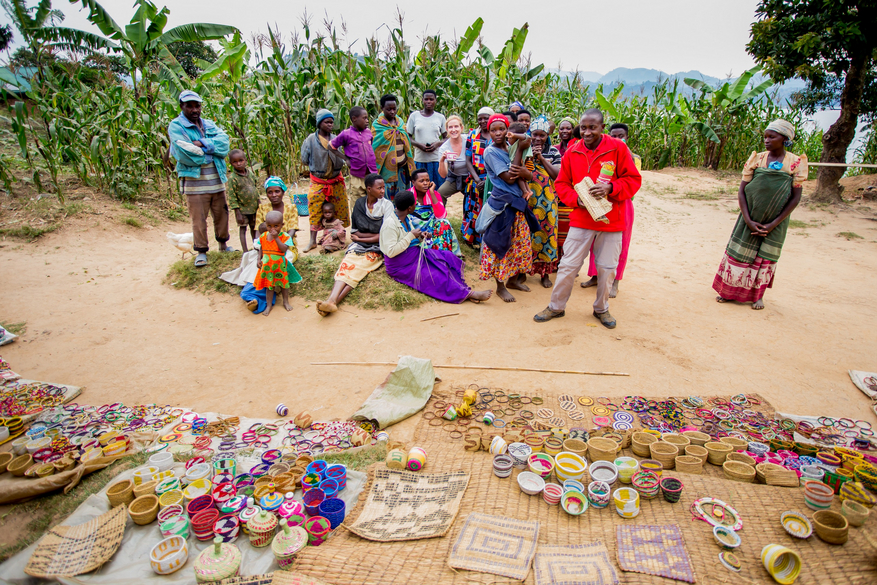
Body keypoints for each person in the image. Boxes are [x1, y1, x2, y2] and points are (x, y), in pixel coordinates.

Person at [534, 109, 642, 329]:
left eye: (593, 127)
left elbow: (633, 180)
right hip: (582, 218)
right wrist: (577, 200)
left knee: (607, 268)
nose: (587, 132)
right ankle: (556, 307)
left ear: (602, 127)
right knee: (568, 266)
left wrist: (611, 187)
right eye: (583, 127)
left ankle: (601, 309)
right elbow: (562, 184)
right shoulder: (573, 151)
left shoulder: (618, 148)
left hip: (612, 220)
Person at [713, 119, 807, 310]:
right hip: (750, 216)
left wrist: (774, 223)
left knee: (765, 258)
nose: (766, 140)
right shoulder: (757, 159)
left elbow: (795, 197)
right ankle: (728, 291)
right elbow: (742, 191)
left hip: (776, 221)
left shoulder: (795, 162)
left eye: (772, 137)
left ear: (785, 139)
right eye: (765, 136)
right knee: (739, 254)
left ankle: (757, 296)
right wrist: (747, 219)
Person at [380, 191, 492, 304]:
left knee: (447, 257)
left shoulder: (405, 218)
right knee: (436, 276)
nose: (416, 205)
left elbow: (408, 239)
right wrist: (411, 236)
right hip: (400, 265)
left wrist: (419, 237)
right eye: (415, 204)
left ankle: (461, 289)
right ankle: (468, 294)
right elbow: (391, 252)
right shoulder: (390, 224)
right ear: (409, 208)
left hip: (413, 254)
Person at [478, 114, 540, 303]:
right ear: (488, 132)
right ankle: (500, 286)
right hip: (502, 205)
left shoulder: (511, 146)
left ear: (508, 131)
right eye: (493, 130)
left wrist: (524, 168)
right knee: (499, 245)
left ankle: (513, 281)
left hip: (517, 204)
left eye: (501, 129)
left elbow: (528, 174)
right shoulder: (490, 152)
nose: (497, 133)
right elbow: (510, 178)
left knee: (519, 245)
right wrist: (520, 151)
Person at [168, 90, 232, 267]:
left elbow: (224, 145)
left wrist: (201, 145)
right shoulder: (176, 127)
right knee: (199, 219)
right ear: (182, 106)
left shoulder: (209, 124)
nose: (194, 109)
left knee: (222, 215)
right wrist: (211, 152)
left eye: (197, 106)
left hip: (216, 180)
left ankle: (223, 245)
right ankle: (201, 252)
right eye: (189, 106)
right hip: (195, 183)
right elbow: (184, 154)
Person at [317, 173, 394, 316]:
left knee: (359, 269)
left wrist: (362, 238)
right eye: (379, 188)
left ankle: (333, 302)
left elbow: (384, 235)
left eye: (383, 188)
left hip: (378, 247)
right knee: (346, 265)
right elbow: (354, 232)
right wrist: (370, 236)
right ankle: (331, 300)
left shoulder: (387, 205)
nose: (383, 191)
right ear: (369, 189)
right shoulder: (359, 204)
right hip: (359, 245)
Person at [581, 123, 641, 297]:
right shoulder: (605, 153)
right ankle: (594, 276)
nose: (616, 139)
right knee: (595, 241)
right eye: (613, 135)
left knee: (619, 245)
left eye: (620, 135)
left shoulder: (632, 157)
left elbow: (632, 180)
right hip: (599, 203)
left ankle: (615, 281)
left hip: (622, 203)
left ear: (627, 137)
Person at [302, 109, 349, 252]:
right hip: (319, 181)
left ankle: (339, 236)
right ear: (319, 123)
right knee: (315, 207)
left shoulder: (336, 138)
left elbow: (342, 154)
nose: (329, 124)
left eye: (331, 122)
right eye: (326, 122)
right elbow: (304, 159)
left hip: (335, 179)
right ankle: (312, 240)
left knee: (340, 207)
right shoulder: (310, 140)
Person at [524, 117, 563, 288]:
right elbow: (521, 171)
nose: (538, 138)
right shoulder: (524, 149)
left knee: (547, 235)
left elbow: (557, 175)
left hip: (548, 203)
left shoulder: (553, 152)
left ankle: (545, 274)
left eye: (542, 135)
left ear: (547, 135)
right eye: (535, 134)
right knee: (528, 234)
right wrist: (531, 156)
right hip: (529, 199)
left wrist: (541, 158)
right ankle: (526, 269)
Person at [254, 210, 302, 316]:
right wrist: (259, 259)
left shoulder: (285, 236)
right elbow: (261, 247)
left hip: (280, 265)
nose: (272, 229)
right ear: (265, 225)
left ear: (282, 225)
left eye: (276, 226)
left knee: (284, 284)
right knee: (269, 286)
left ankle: (285, 301)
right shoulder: (263, 236)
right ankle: (269, 305)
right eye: (269, 226)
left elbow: (284, 249)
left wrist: (276, 238)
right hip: (267, 266)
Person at [330, 106, 377, 212]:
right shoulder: (346, 134)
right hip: (357, 174)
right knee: (358, 200)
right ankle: (357, 226)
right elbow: (331, 146)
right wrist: (345, 159)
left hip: (371, 172)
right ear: (354, 119)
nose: (367, 121)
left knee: (373, 200)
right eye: (364, 118)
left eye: (367, 118)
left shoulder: (368, 132)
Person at [405, 168, 461, 256]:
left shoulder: (434, 194)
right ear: (413, 182)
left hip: (431, 228)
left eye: (427, 180)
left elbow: (441, 216)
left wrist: (432, 193)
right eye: (421, 181)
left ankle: (441, 255)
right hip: (414, 229)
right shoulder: (407, 195)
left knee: (444, 223)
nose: (425, 183)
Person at [461, 107, 494, 246]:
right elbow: (468, 160)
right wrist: (478, 180)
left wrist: (487, 181)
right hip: (476, 178)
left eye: (486, 118)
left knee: (488, 208)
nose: (482, 121)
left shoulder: (497, 134)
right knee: (474, 208)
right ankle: (471, 238)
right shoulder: (473, 135)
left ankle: (486, 238)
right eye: (480, 118)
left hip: (493, 179)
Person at [372, 94, 416, 199]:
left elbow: (407, 143)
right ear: (382, 108)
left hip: (402, 169)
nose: (392, 111)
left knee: (402, 198)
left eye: (394, 109)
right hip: (386, 171)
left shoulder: (400, 122)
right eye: (388, 109)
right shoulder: (377, 125)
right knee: (387, 198)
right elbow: (374, 147)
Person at [407, 89, 447, 187]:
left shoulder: (440, 117)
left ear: (435, 101)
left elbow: (446, 138)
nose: (428, 102)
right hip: (420, 160)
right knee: (419, 189)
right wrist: (418, 145)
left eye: (431, 99)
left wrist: (437, 144)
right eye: (426, 99)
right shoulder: (414, 116)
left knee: (437, 190)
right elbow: (408, 137)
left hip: (436, 160)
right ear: (422, 100)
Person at [255, 176, 299, 258]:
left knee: (282, 260)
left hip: (286, 247)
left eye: (277, 191)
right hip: (265, 247)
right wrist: (260, 246)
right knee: (251, 260)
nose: (274, 195)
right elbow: (258, 231)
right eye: (270, 192)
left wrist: (282, 245)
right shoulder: (262, 209)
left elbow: (292, 231)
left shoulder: (291, 208)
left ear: (283, 192)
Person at [226, 149, 260, 253]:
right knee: (243, 229)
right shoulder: (233, 178)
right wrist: (237, 211)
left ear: (245, 160)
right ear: (231, 163)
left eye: (241, 160)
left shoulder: (250, 174)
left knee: (254, 228)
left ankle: (256, 248)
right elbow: (232, 196)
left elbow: (255, 187)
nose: (238, 163)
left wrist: (259, 203)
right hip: (242, 209)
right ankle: (245, 251)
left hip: (254, 207)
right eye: (235, 162)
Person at [437, 115, 468, 199]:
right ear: (447, 130)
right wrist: (442, 160)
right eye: (450, 127)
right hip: (455, 177)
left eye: (456, 126)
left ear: (461, 128)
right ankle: (441, 212)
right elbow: (443, 175)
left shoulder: (469, 140)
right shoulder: (444, 148)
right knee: (440, 193)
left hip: (470, 177)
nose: (453, 130)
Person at [505, 121, 535, 199]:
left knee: (518, 177)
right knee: (522, 178)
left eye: (510, 137)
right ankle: (528, 191)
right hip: (523, 164)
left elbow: (526, 137)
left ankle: (525, 191)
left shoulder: (520, 142)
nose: (509, 139)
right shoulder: (512, 145)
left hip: (525, 164)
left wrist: (514, 135)